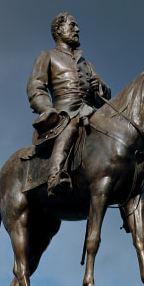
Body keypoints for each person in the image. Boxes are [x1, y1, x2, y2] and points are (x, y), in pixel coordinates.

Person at [27, 12, 111, 195]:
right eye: (72, 25)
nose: (77, 29)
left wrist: (100, 87)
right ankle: (54, 176)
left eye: (76, 26)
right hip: (65, 113)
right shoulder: (47, 56)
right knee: (71, 127)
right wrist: (46, 109)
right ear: (59, 29)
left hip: (90, 112)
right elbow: (36, 87)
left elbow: (104, 98)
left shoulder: (86, 64)